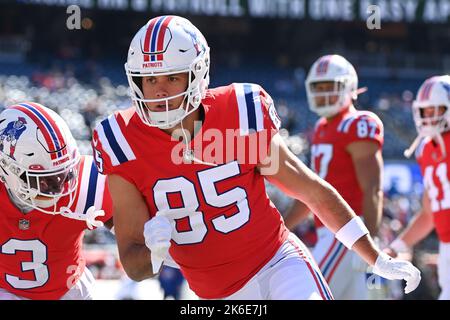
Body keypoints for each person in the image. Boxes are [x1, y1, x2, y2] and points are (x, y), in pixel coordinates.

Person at [92, 15, 420, 300]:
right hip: (211, 293)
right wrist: (153, 251)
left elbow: (312, 192)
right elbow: (134, 265)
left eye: (172, 77)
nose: (160, 91)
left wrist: (376, 257)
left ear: (197, 74)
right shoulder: (122, 143)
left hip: (277, 263)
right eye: (150, 80)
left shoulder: (239, 113)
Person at [283, 54, 384, 299]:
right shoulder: (320, 128)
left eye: (331, 87)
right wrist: (281, 227)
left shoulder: (358, 123)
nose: (324, 94)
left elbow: (372, 188)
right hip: (329, 232)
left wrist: (369, 242)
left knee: (308, 293)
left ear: (349, 86)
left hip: (347, 230)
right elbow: (311, 192)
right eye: (319, 88)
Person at [0, 102, 113, 300]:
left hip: (71, 291)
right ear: (7, 170)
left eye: (64, 174)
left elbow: (136, 237)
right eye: (44, 180)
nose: (59, 189)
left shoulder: (88, 183)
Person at [387, 75, 450, 300]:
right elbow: (428, 214)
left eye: (436, 110)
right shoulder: (425, 150)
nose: (429, 117)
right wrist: (395, 247)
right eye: (426, 111)